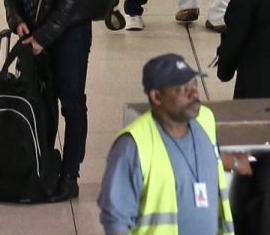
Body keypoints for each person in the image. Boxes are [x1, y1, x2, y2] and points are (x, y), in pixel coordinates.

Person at [3, 0, 110, 203]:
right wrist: (18, 22)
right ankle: (40, 162)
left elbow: (71, 0)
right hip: (34, 33)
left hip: (69, 34)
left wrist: (43, 37)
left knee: (71, 100)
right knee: (38, 98)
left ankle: (70, 174)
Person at [97, 54, 239, 235]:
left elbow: (211, 157)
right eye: (183, 88)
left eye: (194, 85)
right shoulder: (133, 146)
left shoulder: (205, 119)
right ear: (156, 96)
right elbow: (116, 221)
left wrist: (235, 162)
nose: (194, 93)